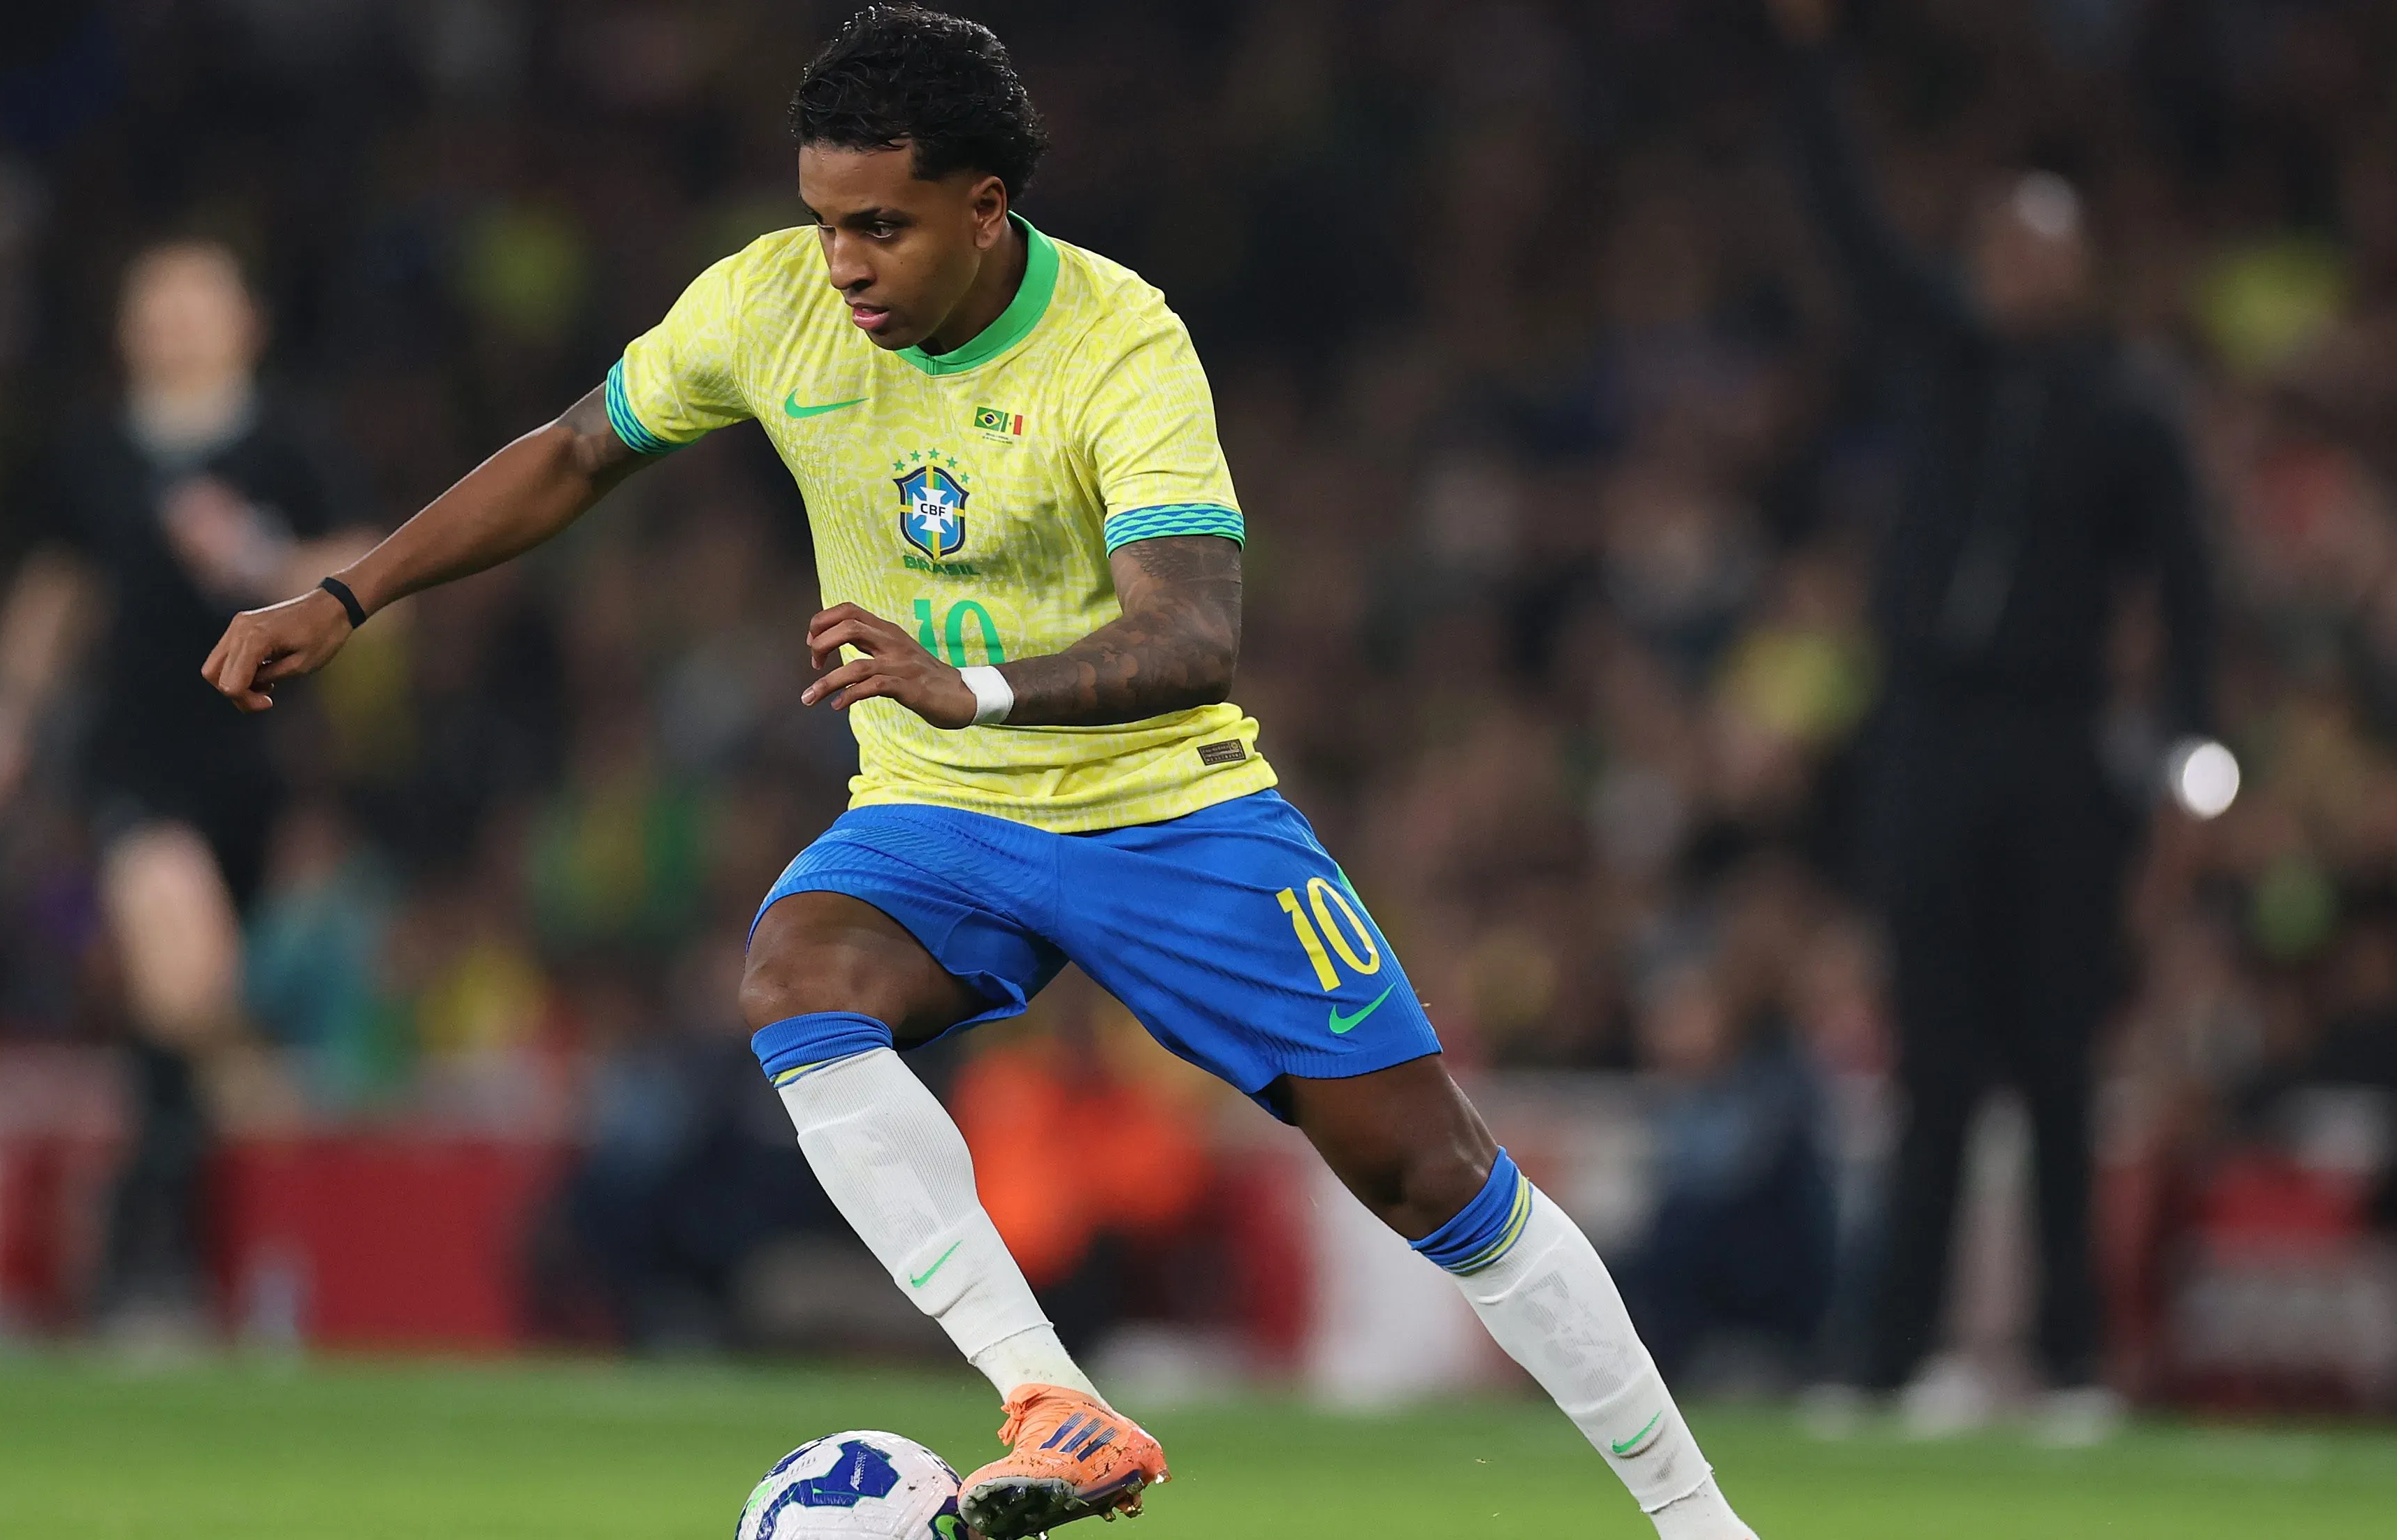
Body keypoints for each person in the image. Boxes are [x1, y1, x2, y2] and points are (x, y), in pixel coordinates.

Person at [202, 10, 1756, 1537]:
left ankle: (1699, 1523)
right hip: (940, 815)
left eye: (881, 226)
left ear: (984, 206)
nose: (843, 263)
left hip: (1166, 809)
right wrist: (346, 596)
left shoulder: (1119, 342)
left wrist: (980, 687)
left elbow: (1196, 632)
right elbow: (572, 450)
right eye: (822, 222)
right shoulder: (770, 305)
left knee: (1432, 1177)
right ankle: (1049, 1400)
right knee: (797, 980)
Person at [1767, 0, 2217, 1438]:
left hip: (2055, 744)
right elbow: (1850, 225)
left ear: (2081, 269)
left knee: (2059, 1062)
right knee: (1935, 1063)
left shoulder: (2131, 412)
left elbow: (2192, 600)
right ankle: (1890, 1360)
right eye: (2004, 249)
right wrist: (1813, 64)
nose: (2018, 273)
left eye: (2044, 250)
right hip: (1930, 738)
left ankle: (2074, 1360)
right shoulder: (1943, 357)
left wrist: (2189, 777)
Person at [0, 239, 368, 1333]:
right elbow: (59, 588)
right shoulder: (93, 452)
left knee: (168, 1019)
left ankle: (154, 1249)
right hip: (137, 759)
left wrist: (259, 556)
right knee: (182, 968)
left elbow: (368, 566)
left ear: (248, 323)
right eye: (156, 303)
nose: (176, 323)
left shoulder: (287, 444)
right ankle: (213, 1165)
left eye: (198, 302)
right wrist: (7, 716)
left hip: (264, 766)